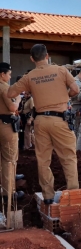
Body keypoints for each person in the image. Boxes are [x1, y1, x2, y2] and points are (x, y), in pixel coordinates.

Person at [7, 44, 80, 204]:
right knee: (68, 158)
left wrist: (28, 91)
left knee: (43, 160)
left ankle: (48, 196)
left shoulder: (29, 76)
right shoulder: (61, 70)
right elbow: (75, 89)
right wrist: (64, 96)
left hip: (40, 120)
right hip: (60, 119)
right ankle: (74, 195)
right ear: (47, 56)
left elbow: (11, 92)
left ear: (32, 59)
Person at [0, 62, 25, 200]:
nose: (10, 77)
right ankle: (9, 193)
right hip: (5, 125)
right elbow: (12, 107)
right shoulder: (4, 88)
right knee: (9, 160)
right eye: (9, 74)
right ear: (2, 74)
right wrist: (19, 98)